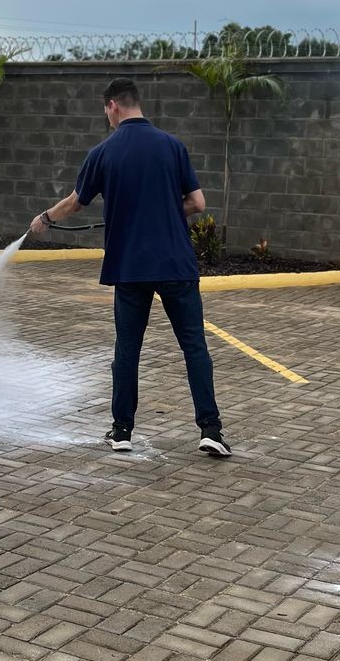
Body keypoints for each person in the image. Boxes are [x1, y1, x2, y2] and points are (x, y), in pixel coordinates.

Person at [29, 77, 231, 458]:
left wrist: (44, 218)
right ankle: (211, 430)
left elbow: (75, 202)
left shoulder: (104, 152)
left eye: (105, 111)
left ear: (113, 106)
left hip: (130, 267)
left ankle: (122, 431)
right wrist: (165, 212)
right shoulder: (172, 146)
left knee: (128, 350)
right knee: (194, 347)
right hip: (175, 264)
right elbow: (198, 203)